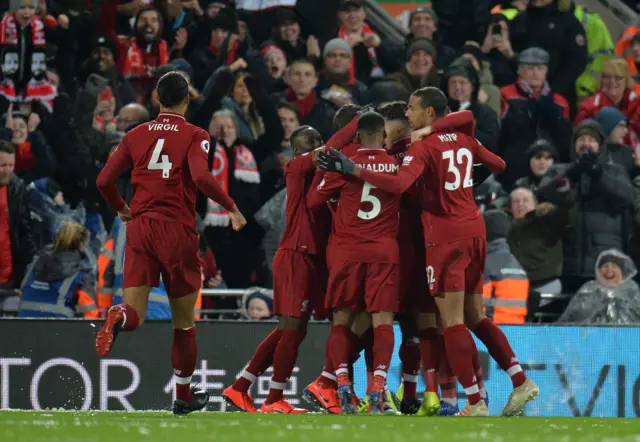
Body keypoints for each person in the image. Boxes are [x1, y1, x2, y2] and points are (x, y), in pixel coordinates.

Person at [318, 86, 539, 417]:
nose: (408, 114)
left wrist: (352, 169)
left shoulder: (422, 148)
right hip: (474, 231)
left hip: (445, 237)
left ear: (429, 113)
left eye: (412, 108)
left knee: (450, 323)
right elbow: (498, 162)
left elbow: (397, 184)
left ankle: (475, 402)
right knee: (476, 316)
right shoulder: (464, 138)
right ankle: (519, 381)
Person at [94, 71, 247, 415]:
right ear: (187, 99)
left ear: (156, 99)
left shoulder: (135, 134)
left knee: (136, 314)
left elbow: (104, 180)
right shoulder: (195, 134)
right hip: (176, 230)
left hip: (140, 228)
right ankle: (182, 395)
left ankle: (119, 314)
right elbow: (202, 177)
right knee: (184, 323)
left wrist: (122, 209)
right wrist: (232, 208)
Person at [221, 122, 356, 414]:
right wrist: (357, 123)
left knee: (295, 329)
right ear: (297, 151)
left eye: (320, 139)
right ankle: (274, 399)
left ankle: (241, 387)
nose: (320, 144)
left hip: (315, 258)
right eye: (312, 142)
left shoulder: (328, 177)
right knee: (293, 330)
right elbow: (329, 150)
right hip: (297, 255)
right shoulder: (296, 168)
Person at [307, 112, 401, 415]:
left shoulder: (342, 166)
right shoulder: (396, 166)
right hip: (384, 252)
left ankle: (343, 382)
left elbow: (313, 201)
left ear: (357, 137)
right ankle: (377, 386)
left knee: (342, 319)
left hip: (347, 251)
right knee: (382, 321)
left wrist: (326, 177)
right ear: (384, 136)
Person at [18, 222, 99, 319]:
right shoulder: (81, 276)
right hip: (58, 330)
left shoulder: (35, 264)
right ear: (81, 245)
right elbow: (90, 315)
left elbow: (23, 291)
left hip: (23, 327)